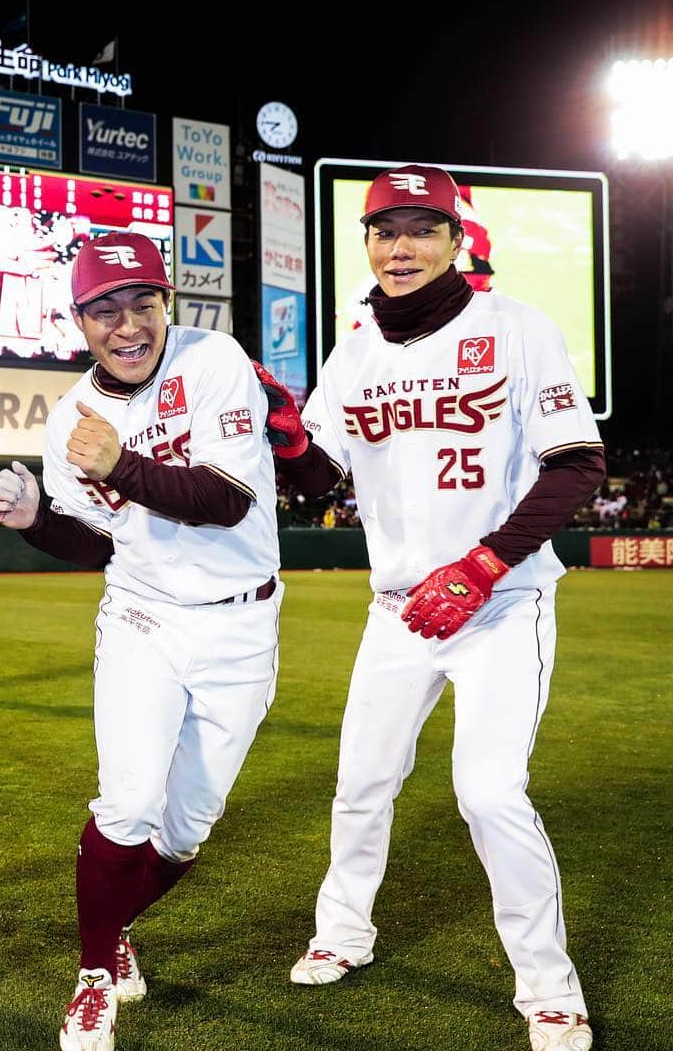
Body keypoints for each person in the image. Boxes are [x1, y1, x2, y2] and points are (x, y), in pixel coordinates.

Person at [257, 164, 605, 1051]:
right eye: (383, 230)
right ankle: (344, 932)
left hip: (503, 602)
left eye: (420, 228)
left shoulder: (517, 328)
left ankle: (547, 985)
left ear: (457, 240)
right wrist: (290, 436)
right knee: (362, 783)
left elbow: (576, 465)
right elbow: (323, 483)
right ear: (366, 245)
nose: (399, 246)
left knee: (488, 792)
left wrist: (485, 565)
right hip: (397, 610)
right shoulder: (355, 347)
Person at [0, 232, 282, 1051]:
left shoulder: (214, 359)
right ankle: (93, 979)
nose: (126, 325)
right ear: (79, 320)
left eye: (140, 303)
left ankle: (114, 924)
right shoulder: (67, 418)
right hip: (143, 619)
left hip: (242, 619)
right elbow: (98, 546)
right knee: (126, 803)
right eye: (104, 309)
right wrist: (35, 522)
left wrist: (119, 464)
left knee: (188, 828)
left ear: (166, 305)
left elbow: (224, 501)